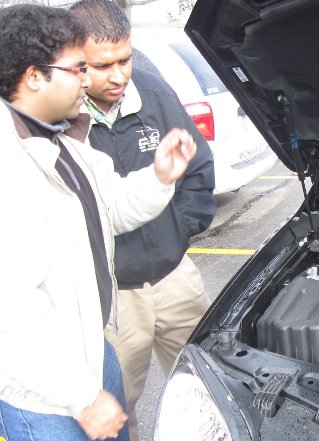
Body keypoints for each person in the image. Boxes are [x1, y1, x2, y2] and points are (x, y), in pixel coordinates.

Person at [0, 4, 198, 441]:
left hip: (94, 352)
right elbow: (11, 313)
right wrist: (82, 397)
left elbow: (110, 207)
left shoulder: (62, 141)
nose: (88, 80)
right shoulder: (9, 170)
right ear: (34, 76)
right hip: (49, 394)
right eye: (77, 68)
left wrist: (160, 175)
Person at [68, 1, 216, 439]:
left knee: (206, 388)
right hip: (112, 299)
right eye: (102, 65)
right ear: (75, 61)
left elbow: (199, 168)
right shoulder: (60, 121)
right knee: (118, 408)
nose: (118, 76)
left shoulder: (153, 93)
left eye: (125, 59)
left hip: (177, 280)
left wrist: (181, 232)